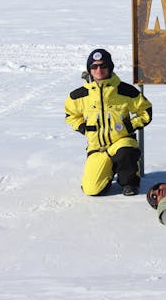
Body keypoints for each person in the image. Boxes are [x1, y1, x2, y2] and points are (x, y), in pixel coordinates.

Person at [65, 48, 152, 196]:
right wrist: (83, 128)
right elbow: (71, 114)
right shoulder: (78, 95)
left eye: (103, 66)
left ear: (110, 67)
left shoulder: (125, 90)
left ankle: (129, 181)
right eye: (94, 66)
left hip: (121, 141)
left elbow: (145, 111)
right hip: (97, 147)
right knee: (91, 190)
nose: (99, 70)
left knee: (126, 151)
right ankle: (108, 170)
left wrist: (129, 126)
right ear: (89, 70)